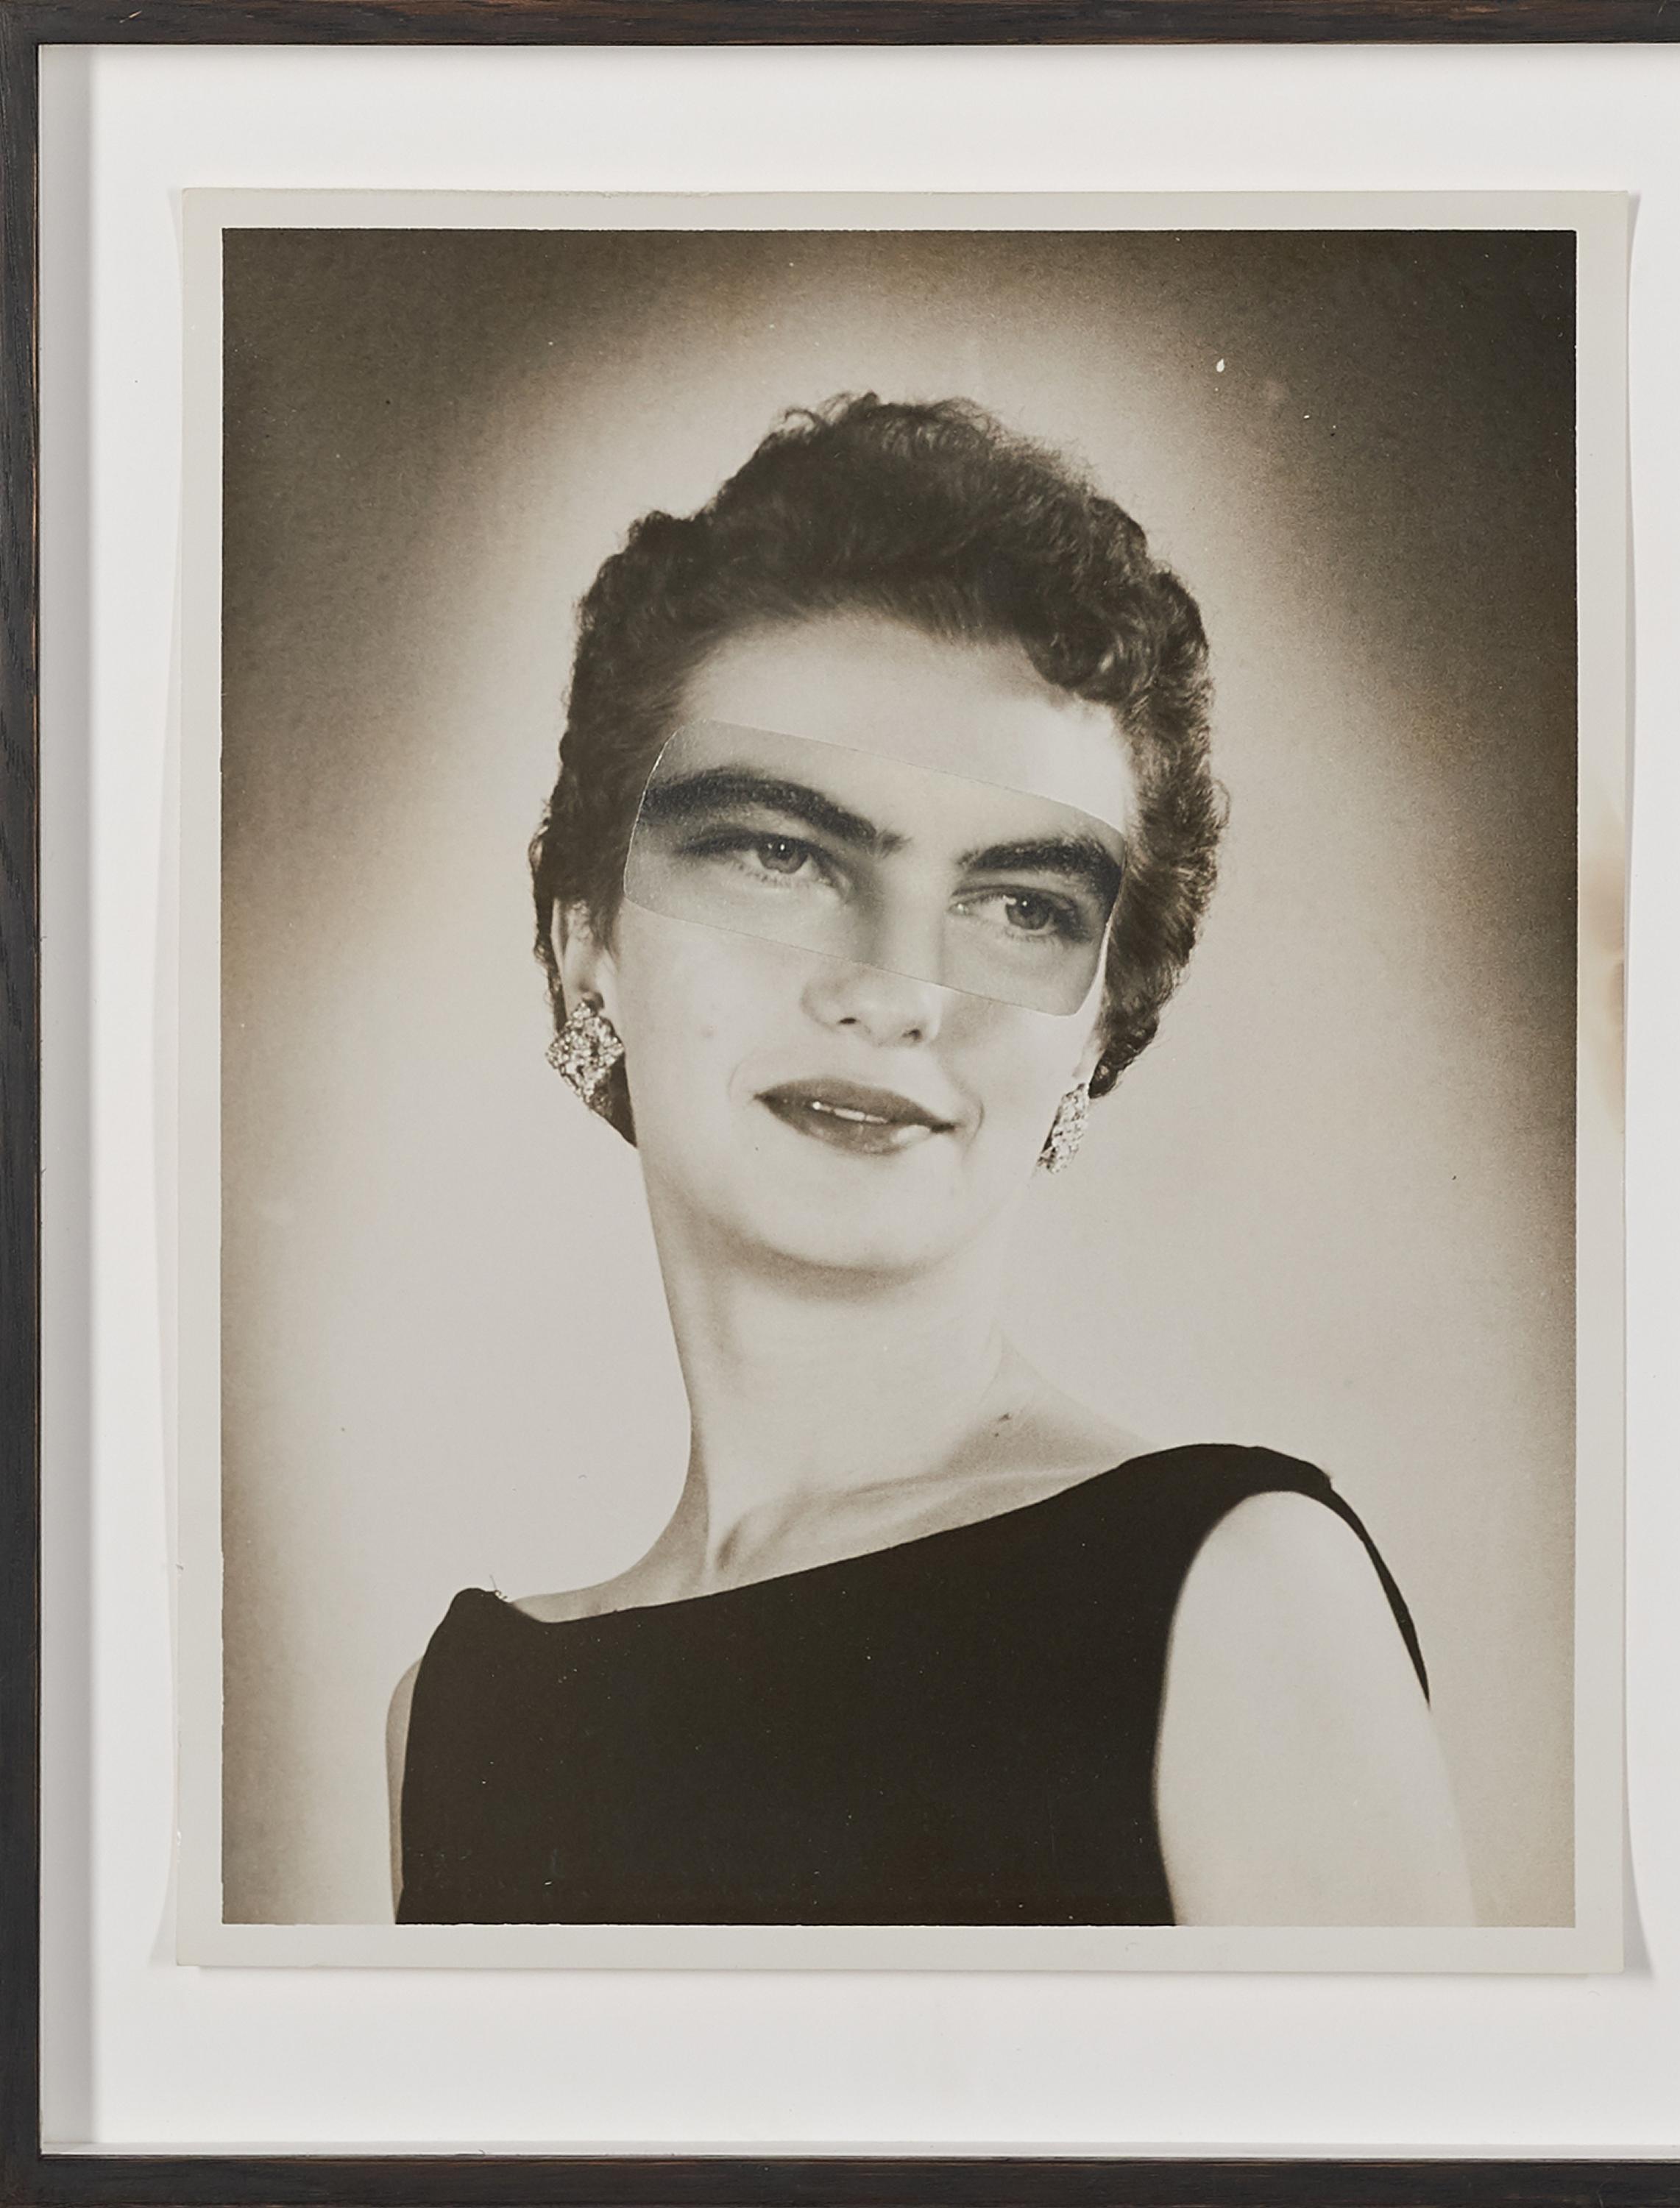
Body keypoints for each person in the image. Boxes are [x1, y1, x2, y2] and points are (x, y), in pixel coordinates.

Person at [387, 394, 1475, 1928]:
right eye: (781, 855)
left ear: (1096, 1038)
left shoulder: (1240, 1594)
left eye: (1019, 905)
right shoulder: (457, 1716)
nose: (895, 993)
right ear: (588, 951)